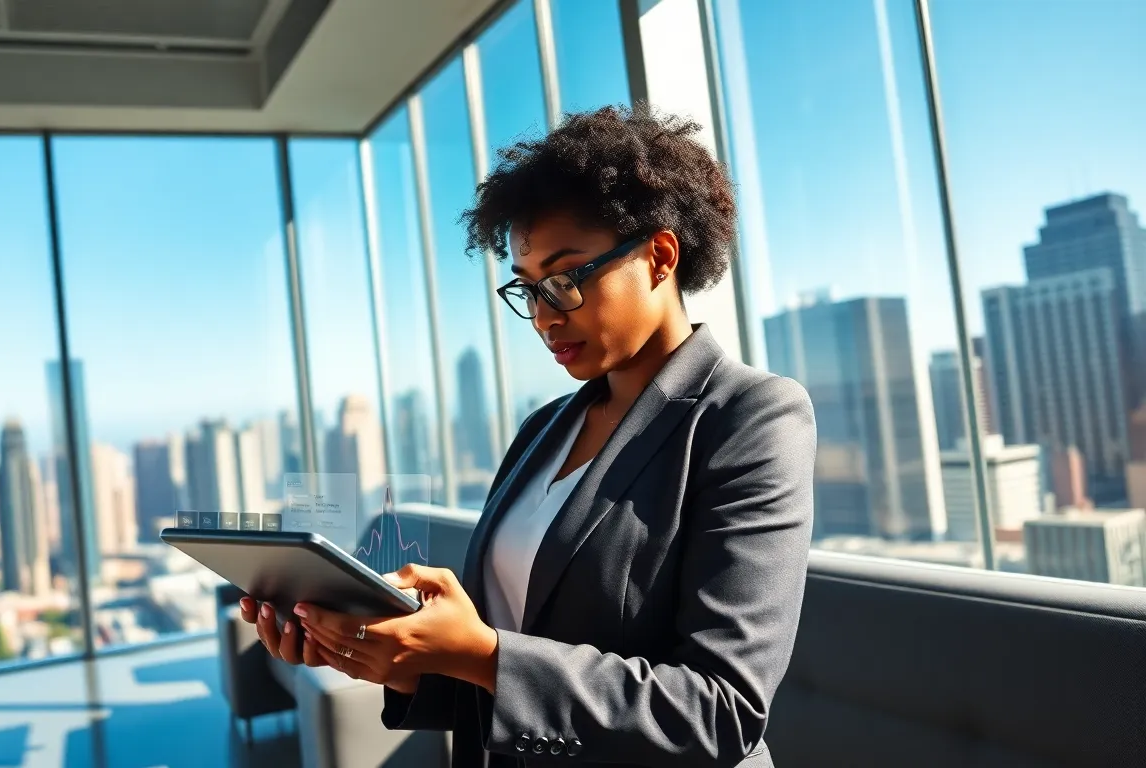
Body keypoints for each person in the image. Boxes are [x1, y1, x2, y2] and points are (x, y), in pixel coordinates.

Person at [241, 105, 816, 767]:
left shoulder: (750, 417)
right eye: (529, 287)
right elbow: (509, 671)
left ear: (659, 255)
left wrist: (481, 653)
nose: (543, 318)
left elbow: (719, 711)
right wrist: (398, 660)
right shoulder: (544, 429)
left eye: (566, 280)